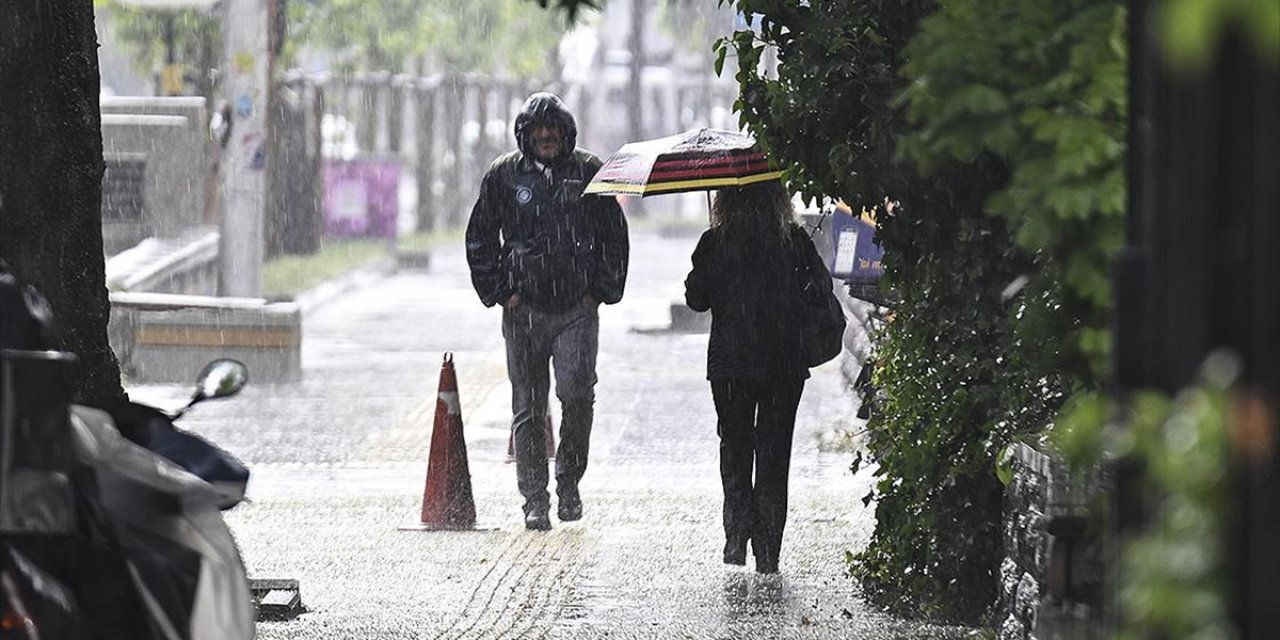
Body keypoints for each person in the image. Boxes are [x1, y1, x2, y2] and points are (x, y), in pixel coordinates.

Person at [465, 92, 629, 531]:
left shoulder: (589, 172)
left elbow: (614, 235)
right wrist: (501, 292)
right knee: (528, 408)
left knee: (577, 395)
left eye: (553, 128)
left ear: (566, 131)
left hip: (576, 309)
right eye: (538, 129)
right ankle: (534, 499)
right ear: (525, 134)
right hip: (524, 311)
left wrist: (600, 292)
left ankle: (569, 483)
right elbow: (480, 237)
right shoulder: (503, 176)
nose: (546, 136)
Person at [683, 180, 832, 573]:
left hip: (731, 364)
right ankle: (768, 551)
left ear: (724, 199)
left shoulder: (715, 242)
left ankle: (736, 534)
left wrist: (706, 265)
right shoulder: (794, 242)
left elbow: (696, 300)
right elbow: (821, 290)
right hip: (783, 363)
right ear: (778, 198)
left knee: (735, 447)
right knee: (773, 454)